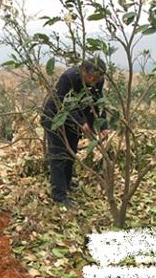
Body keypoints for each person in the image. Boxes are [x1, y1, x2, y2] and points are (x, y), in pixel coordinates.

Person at [41, 58, 109, 208]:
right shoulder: (69, 77)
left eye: (96, 78)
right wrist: (80, 121)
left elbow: (97, 102)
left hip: (75, 123)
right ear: (82, 69)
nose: (92, 80)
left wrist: (103, 125)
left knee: (71, 152)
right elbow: (62, 102)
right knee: (59, 155)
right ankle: (58, 194)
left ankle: (66, 182)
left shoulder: (99, 81)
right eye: (89, 76)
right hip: (55, 118)